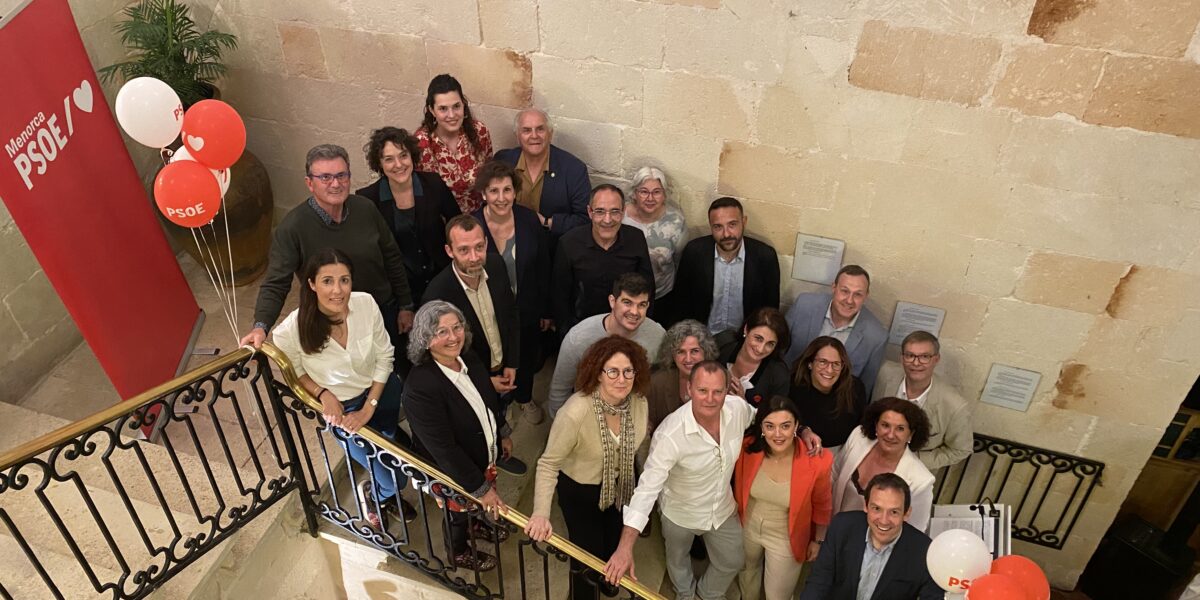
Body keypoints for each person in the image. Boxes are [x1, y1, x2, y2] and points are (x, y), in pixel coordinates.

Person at [271, 249, 415, 530]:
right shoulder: (290, 331)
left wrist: (369, 407)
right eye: (327, 281)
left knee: (393, 448)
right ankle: (375, 495)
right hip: (344, 410)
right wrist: (323, 394)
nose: (338, 290)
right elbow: (296, 372)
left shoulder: (366, 304)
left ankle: (384, 493)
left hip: (381, 393)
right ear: (311, 284)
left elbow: (385, 355)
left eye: (344, 280)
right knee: (394, 479)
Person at [603, 361, 755, 598]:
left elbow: (763, 420)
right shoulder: (670, 434)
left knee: (733, 560)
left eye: (717, 391)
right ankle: (684, 594)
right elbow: (647, 489)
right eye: (703, 390)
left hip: (722, 509)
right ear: (690, 390)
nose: (710, 399)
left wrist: (801, 432)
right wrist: (625, 547)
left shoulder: (737, 409)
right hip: (679, 514)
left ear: (727, 391)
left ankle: (707, 594)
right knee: (678, 560)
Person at [241, 144, 414, 352]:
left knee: (390, 362)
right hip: (332, 322)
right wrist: (261, 327)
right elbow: (276, 283)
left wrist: (405, 305)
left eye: (341, 175)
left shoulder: (366, 208)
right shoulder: (292, 228)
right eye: (325, 177)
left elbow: (392, 257)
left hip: (381, 311)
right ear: (310, 183)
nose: (336, 184)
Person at [525, 336, 652, 600]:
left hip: (621, 486)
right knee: (586, 558)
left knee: (614, 539)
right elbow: (548, 464)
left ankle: (608, 578)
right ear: (598, 373)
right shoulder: (575, 412)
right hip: (581, 492)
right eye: (613, 371)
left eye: (628, 371)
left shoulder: (639, 403)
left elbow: (640, 448)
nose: (621, 379)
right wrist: (540, 513)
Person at [402, 300, 513, 572]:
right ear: (425, 339)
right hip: (452, 472)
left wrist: (501, 433)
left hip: (481, 457)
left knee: (471, 509)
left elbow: (486, 400)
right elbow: (445, 450)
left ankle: (475, 523)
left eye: (457, 327)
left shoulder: (468, 357)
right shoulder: (419, 389)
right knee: (457, 514)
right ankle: (458, 551)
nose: (453, 337)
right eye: (441, 332)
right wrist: (482, 489)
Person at [421, 215, 527, 475]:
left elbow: (511, 315)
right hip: (470, 378)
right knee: (479, 426)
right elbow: (441, 357)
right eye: (464, 250)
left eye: (479, 247)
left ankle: (500, 448)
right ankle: (488, 458)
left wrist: (512, 361)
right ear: (449, 251)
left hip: (502, 366)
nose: (474, 257)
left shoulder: (496, 264)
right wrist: (483, 382)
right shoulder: (437, 294)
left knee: (501, 413)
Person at [472, 160, 551, 425]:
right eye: (494, 191)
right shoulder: (472, 225)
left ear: (515, 192)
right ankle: (499, 405)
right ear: (484, 193)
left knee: (525, 356)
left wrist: (545, 309)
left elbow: (543, 265)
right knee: (494, 358)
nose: (501, 198)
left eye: (507, 190)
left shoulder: (528, 220)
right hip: (488, 311)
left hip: (525, 308)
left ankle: (524, 397)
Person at [734, 396, 833, 600]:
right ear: (761, 427)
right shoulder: (747, 447)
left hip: (786, 535)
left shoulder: (817, 461)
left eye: (785, 426)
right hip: (747, 526)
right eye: (770, 426)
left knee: (778, 594)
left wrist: (818, 540)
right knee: (747, 574)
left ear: (797, 426)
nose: (777, 434)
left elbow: (822, 504)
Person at [356, 126, 459, 304]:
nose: (398, 165)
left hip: (443, 280)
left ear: (412, 156)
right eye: (389, 159)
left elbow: (456, 221)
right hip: (401, 292)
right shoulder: (369, 198)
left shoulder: (433, 183)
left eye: (403, 155)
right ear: (379, 164)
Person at [800, 473, 942, 600]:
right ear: (866, 506)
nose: (884, 520)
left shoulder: (925, 552)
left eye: (894, 512)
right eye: (877, 509)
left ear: (906, 513)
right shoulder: (842, 527)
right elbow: (818, 582)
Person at [547, 273, 665, 419]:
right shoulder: (578, 338)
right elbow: (560, 390)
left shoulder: (658, 335)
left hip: (631, 413)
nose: (635, 312)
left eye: (642, 305)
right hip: (589, 414)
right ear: (612, 301)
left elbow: (657, 379)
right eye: (627, 302)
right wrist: (561, 425)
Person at [552, 184, 654, 333]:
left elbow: (647, 287)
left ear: (623, 212)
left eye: (615, 211)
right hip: (582, 329)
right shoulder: (569, 243)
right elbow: (560, 296)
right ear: (590, 212)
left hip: (626, 327)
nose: (607, 220)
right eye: (600, 211)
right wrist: (567, 333)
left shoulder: (636, 238)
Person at [673, 197, 779, 334]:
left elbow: (770, 311)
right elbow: (680, 302)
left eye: (732, 224)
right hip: (703, 337)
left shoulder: (765, 257)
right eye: (718, 227)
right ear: (711, 227)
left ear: (744, 222)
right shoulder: (694, 252)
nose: (726, 234)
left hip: (744, 339)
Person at [872, 331, 973, 471]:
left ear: (936, 359)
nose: (916, 363)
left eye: (925, 357)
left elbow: (961, 450)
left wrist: (910, 460)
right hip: (872, 459)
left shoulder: (955, 406)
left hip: (913, 473)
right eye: (910, 355)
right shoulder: (884, 374)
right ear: (902, 358)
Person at [832, 397, 935, 532]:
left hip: (873, 542)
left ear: (911, 434)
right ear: (876, 425)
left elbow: (914, 530)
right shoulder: (858, 437)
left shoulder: (921, 481)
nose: (890, 435)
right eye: (885, 425)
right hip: (832, 528)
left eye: (900, 429)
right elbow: (834, 474)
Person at [784, 265, 887, 396]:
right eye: (844, 291)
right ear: (834, 287)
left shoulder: (876, 337)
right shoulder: (804, 305)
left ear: (866, 296)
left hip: (834, 401)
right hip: (787, 387)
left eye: (858, 294)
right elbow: (780, 348)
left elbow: (864, 387)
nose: (849, 300)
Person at [494, 108, 591, 239]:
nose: (534, 136)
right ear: (517, 136)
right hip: (509, 240)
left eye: (540, 129)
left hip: (553, 244)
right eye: (526, 130)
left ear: (550, 134)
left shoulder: (574, 169)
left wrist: (548, 223)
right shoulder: (503, 160)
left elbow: (585, 219)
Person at [415, 74, 494, 213]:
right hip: (442, 219)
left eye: (456, 106)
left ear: (464, 104)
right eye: (443, 109)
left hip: (479, 214)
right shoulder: (421, 143)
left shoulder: (479, 131)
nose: (451, 115)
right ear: (432, 110)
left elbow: (490, 174)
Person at [622, 166, 686, 320]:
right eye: (644, 192)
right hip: (624, 296)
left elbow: (679, 261)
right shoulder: (620, 216)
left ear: (664, 195)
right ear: (634, 194)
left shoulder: (676, 221)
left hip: (661, 296)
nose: (650, 198)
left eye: (657, 192)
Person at [789, 336, 868, 453]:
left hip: (844, 452)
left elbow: (863, 426)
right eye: (822, 362)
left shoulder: (855, 388)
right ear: (810, 363)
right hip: (800, 450)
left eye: (836, 364)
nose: (829, 370)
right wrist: (802, 431)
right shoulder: (792, 386)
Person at [648, 320, 719, 433]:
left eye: (694, 351)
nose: (688, 359)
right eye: (681, 352)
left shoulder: (721, 379)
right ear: (672, 355)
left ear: (706, 352)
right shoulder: (657, 383)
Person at [719, 307, 791, 412]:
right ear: (746, 329)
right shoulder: (722, 345)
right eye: (758, 338)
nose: (761, 349)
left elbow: (774, 417)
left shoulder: (779, 376)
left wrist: (743, 404)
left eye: (770, 344)